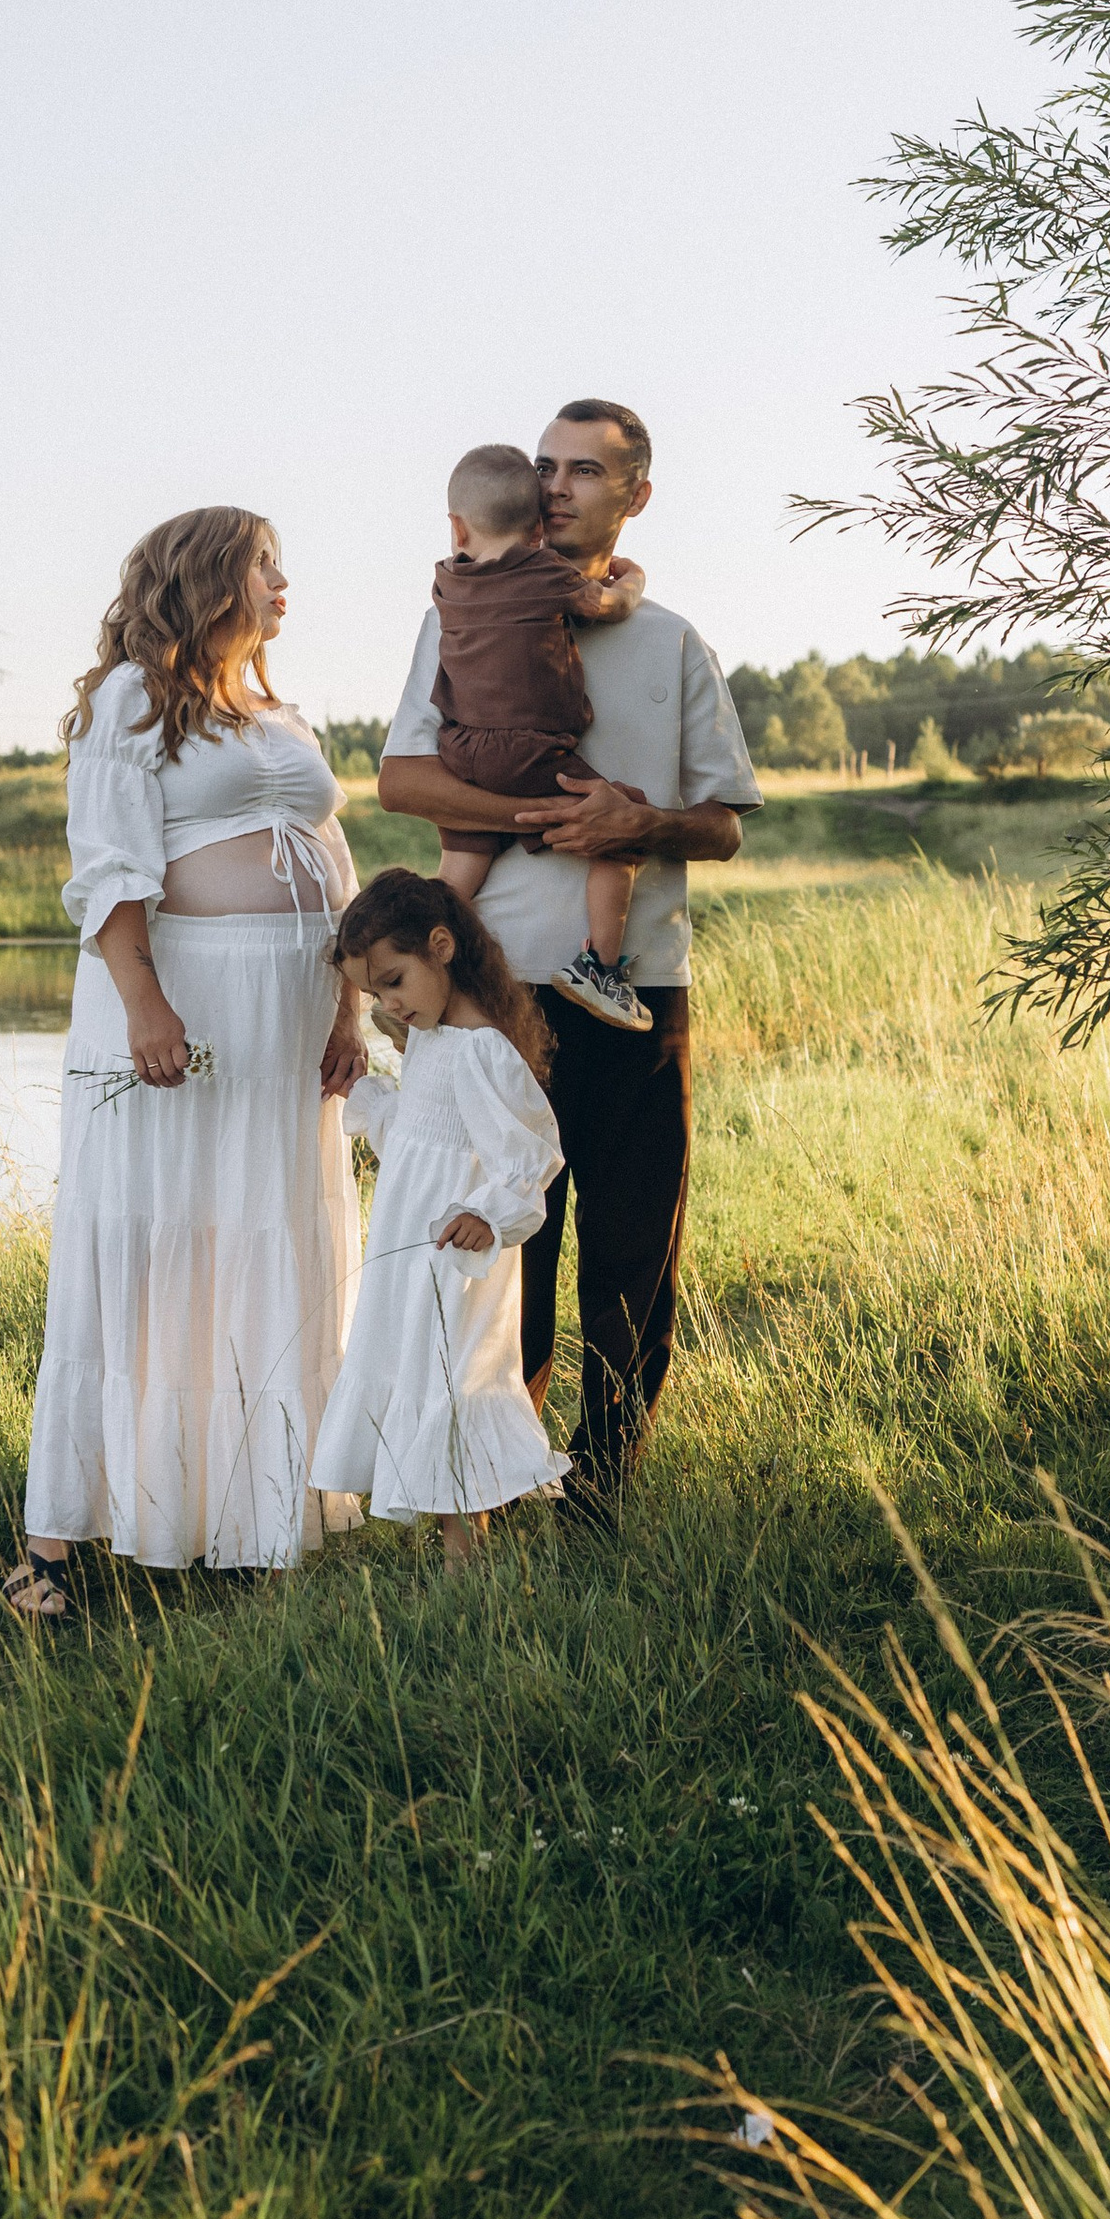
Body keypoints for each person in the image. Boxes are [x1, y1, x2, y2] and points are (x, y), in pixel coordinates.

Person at [378, 401, 761, 1520]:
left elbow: (724, 825)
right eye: (542, 466)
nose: (554, 485)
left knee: (633, 1255)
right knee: (507, 1259)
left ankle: (604, 1490)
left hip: (636, 993)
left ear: (634, 495)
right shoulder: (454, 615)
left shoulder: (671, 641)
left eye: (583, 471)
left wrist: (633, 827)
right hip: (494, 1002)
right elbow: (403, 783)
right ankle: (494, 1483)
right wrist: (548, 814)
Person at [14, 507, 366, 1605]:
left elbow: (335, 862)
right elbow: (107, 868)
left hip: (294, 1011)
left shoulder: (279, 712)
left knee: (270, 1237)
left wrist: (350, 1007)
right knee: (157, 1242)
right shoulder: (131, 700)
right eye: (265, 564)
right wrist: (145, 1004)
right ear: (210, 579)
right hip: (187, 999)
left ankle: (258, 1517)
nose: (283, 583)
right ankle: (54, 1552)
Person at [312, 868, 568, 1565]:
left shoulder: (482, 1050)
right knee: (421, 1372)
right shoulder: (432, 1039)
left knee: (454, 1382)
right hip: (411, 1246)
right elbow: (420, 1138)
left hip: (458, 1257)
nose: (387, 1004)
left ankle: (466, 1551)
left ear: (442, 947)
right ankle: (455, 1541)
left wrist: (489, 1214)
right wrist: (365, 1095)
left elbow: (531, 1155)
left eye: (394, 981)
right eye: (373, 993)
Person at [427, 438, 651, 1031]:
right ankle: (599, 967)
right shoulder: (544, 573)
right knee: (621, 827)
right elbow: (607, 605)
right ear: (537, 532)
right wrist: (634, 579)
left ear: (457, 529)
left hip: (463, 749)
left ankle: (421, 972)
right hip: (531, 750)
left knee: (461, 866)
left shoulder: (447, 585)